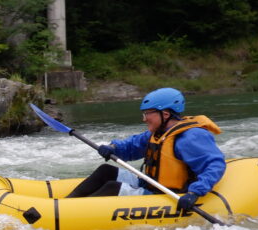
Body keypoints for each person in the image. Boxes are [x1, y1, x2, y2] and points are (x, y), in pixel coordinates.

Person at [66, 87, 226, 212]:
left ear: (165, 114)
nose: (144, 119)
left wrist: (194, 193)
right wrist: (112, 148)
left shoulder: (190, 137)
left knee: (112, 188)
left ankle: (69, 213)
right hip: (150, 184)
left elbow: (215, 165)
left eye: (148, 113)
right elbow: (132, 146)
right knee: (106, 171)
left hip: (168, 194)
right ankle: (65, 205)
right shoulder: (157, 133)